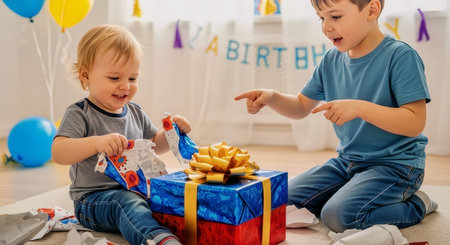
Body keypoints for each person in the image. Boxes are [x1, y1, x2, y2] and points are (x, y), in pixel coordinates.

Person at [235, 0, 437, 233]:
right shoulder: (331, 60)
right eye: (321, 18)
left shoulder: (400, 56)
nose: (326, 27)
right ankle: (349, 193)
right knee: (276, 200)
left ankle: (417, 204)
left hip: (396, 166)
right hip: (347, 163)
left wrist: (359, 108)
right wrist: (272, 97)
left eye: (336, 17)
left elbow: (414, 122)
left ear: (371, 10)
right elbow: (301, 106)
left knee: (339, 216)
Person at [52, 24, 187, 245]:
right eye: (114, 78)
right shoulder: (80, 113)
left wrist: (172, 133)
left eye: (133, 78)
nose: (125, 86)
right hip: (93, 201)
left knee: (171, 195)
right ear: (86, 76)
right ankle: (157, 240)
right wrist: (96, 143)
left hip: (137, 188)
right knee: (126, 203)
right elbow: (59, 152)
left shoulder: (135, 111)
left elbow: (155, 144)